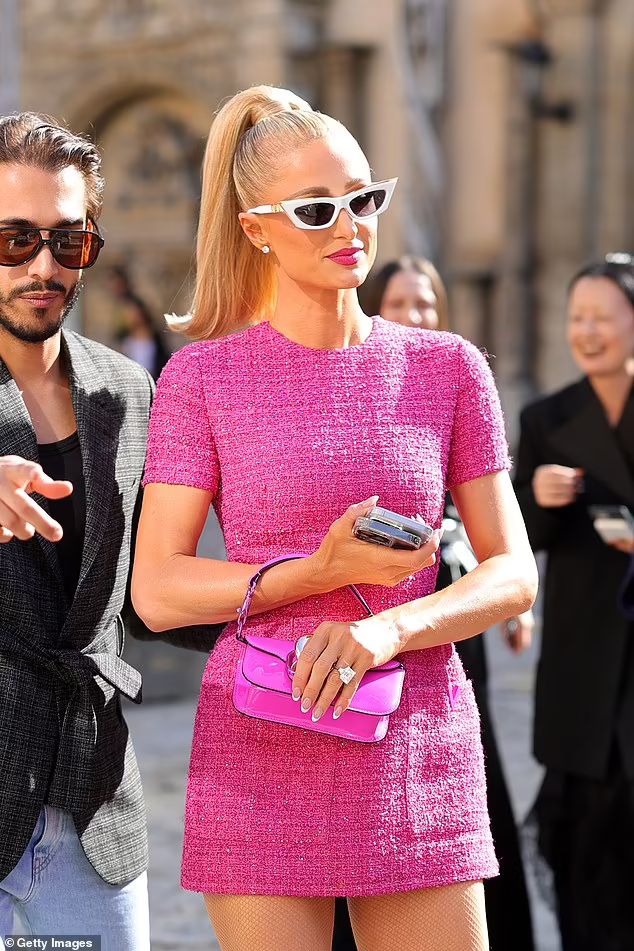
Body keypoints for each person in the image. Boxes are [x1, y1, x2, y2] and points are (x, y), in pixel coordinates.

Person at [132, 85, 537, 951]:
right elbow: (160, 590)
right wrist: (318, 573)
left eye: (365, 198)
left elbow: (513, 572)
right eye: (319, 209)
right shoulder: (202, 380)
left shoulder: (449, 368)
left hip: (417, 733)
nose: (352, 225)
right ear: (256, 229)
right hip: (259, 745)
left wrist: (389, 630)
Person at [0, 113, 219, 950]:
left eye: (68, 240)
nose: (43, 266)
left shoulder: (127, 391)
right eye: (15, 239)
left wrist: (296, 593)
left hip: (92, 802)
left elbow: (146, 592)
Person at [366, 256, 536, 951]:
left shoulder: (453, 379)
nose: (417, 314)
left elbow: (484, 515)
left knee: (470, 770)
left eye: (428, 302)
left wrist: (511, 596)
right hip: (374, 614)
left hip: (452, 605)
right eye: (403, 300)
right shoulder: (358, 383)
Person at [514, 254, 634, 951]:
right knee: (586, 842)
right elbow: (519, 539)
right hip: (582, 655)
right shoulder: (548, 418)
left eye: (602, 317)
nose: (587, 332)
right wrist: (538, 497)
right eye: (576, 318)